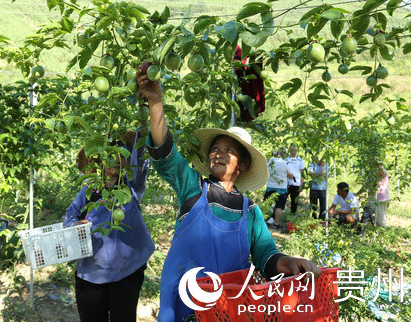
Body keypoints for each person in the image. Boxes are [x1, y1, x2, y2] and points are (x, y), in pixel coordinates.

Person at [137, 66, 321, 322]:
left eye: (228, 150)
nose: (218, 153)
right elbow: (167, 154)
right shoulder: (193, 189)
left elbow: (266, 255)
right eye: (214, 148)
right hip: (183, 305)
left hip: (226, 310)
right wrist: (155, 103)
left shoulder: (251, 212)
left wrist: (288, 262)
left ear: (242, 165)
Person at [63, 130, 154, 322]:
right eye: (111, 154)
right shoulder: (90, 190)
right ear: (100, 160)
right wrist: (74, 224)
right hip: (91, 272)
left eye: (123, 154)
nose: (118, 159)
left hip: (126, 271)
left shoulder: (131, 186)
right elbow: (70, 214)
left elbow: (141, 160)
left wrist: (144, 120)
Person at [264, 147, 294, 229]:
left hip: (270, 186)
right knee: (279, 206)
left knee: (266, 204)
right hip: (281, 188)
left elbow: (265, 171)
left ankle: (261, 221)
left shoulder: (270, 161)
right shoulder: (285, 163)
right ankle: (276, 224)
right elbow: (291, 176)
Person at [286, 143, 305, 214]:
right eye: (291, 148)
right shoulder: (286, 159)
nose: (293, 150)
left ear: (297, 149)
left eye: (295, 148)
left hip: (296, 183)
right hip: (286, 183)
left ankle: (292, 216)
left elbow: (302, 173)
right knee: (282, 199)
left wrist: (301, 184)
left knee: (294, 201)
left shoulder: (300, 160)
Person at [375, 163, 390, 227]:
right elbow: (367, 185)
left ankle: (384, 234)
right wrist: (357, 193)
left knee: (380, 220)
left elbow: (382, 172)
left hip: (381, 199)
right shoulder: (371, 173)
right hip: (373, 199)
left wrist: (377, 163)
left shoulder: (381, 171)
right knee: (375, 219)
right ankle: (378, 234)